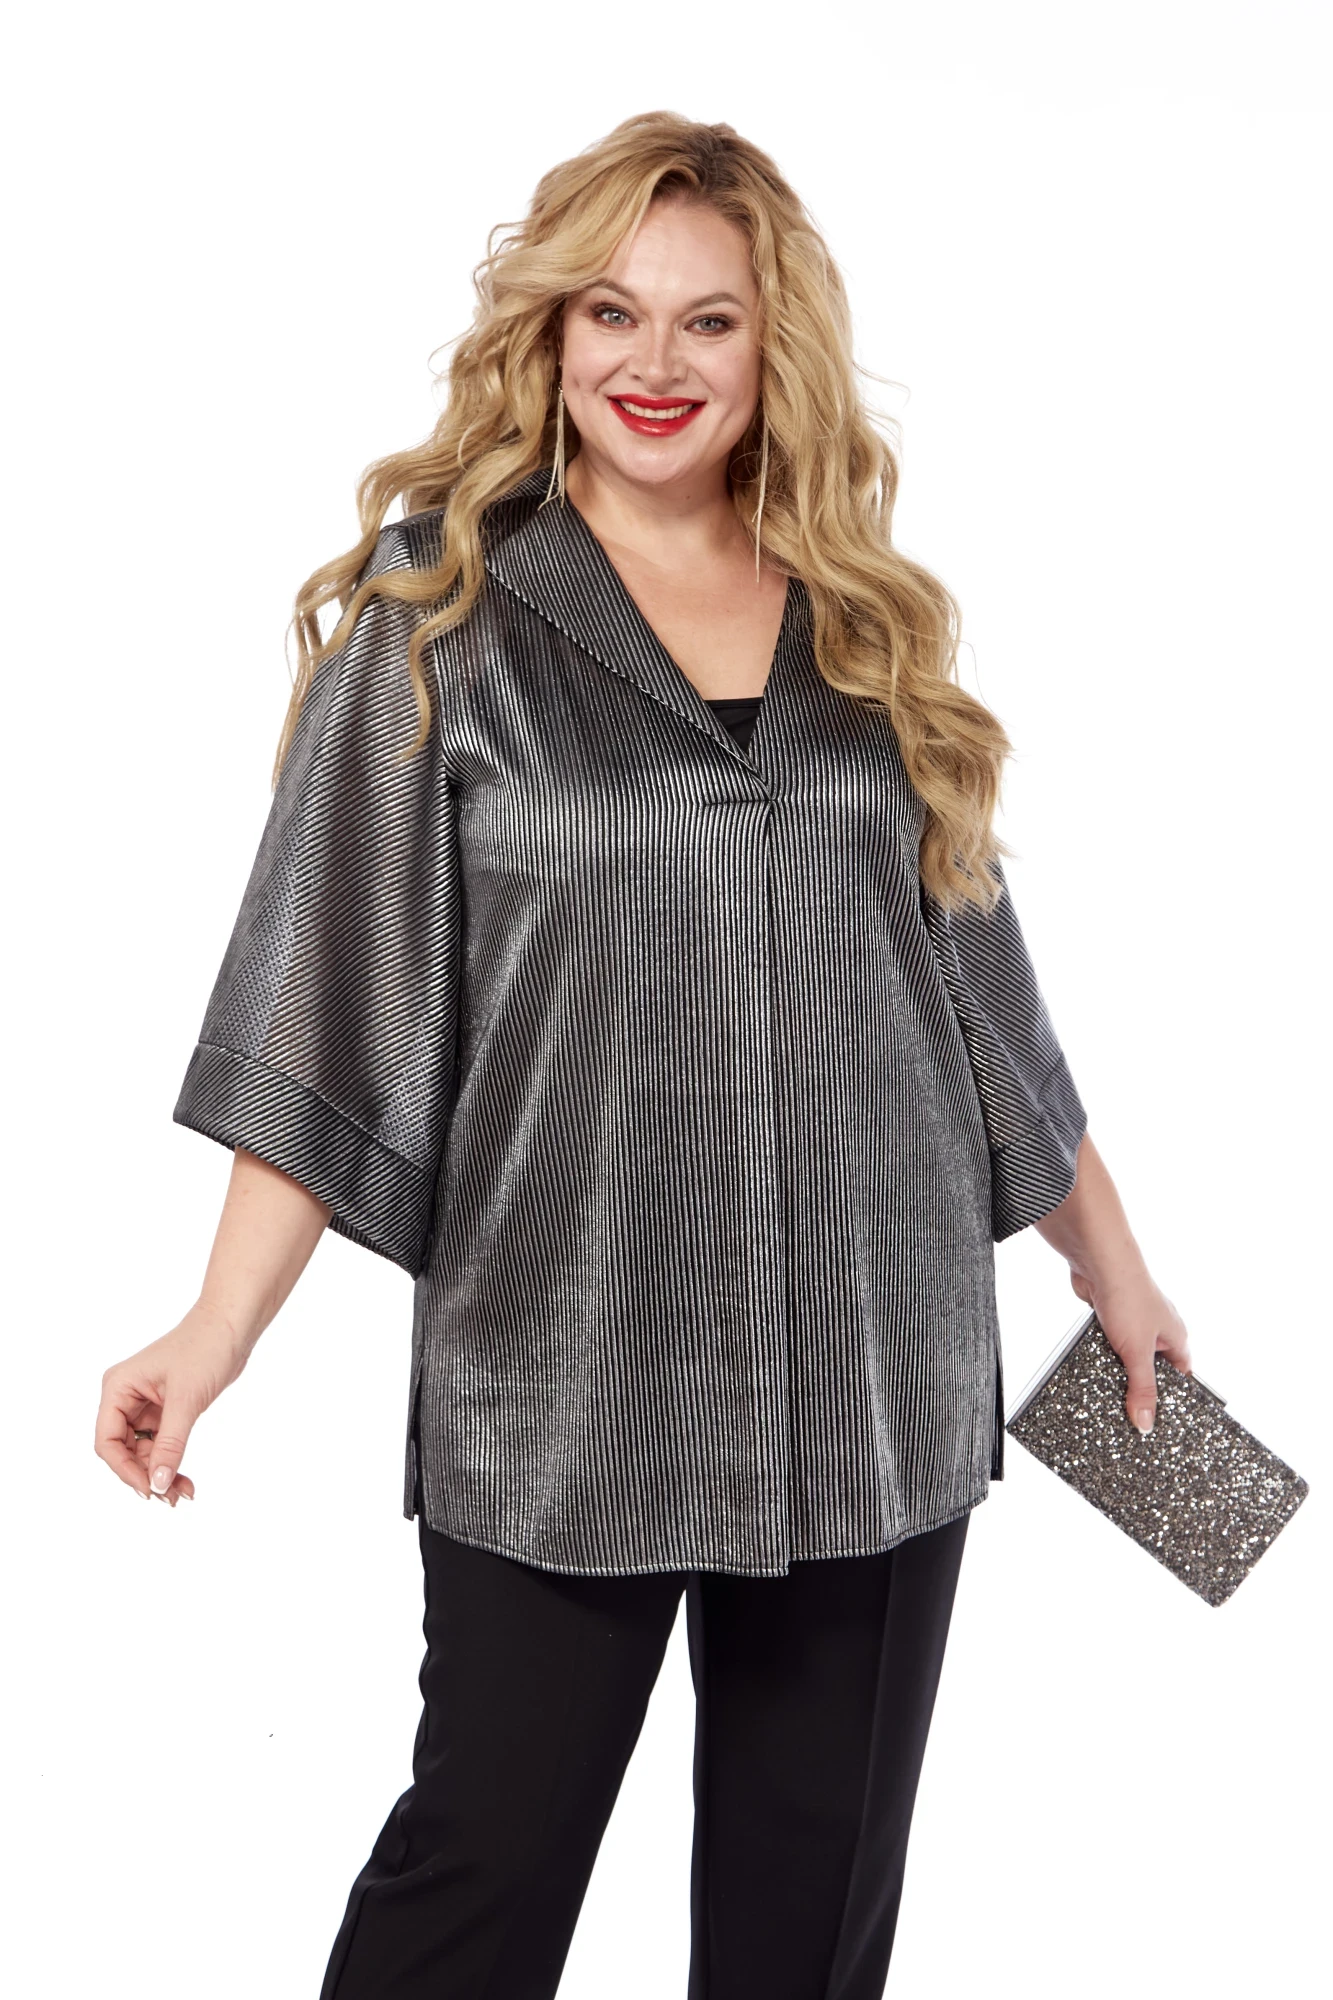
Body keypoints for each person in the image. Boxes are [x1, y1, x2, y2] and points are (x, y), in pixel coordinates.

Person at [95, 111, 1193, 1998]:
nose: (652, 364)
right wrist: (215, 1332)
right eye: (611, 312)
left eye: (707, 321)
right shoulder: (441, 614)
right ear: (549, 329)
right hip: (566, 1369)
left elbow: (978, 993)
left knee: (808, 1931)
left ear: (776, 350)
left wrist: (1119, 1273)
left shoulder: (860, 623)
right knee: (478, 1878)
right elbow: (332, 997)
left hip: (872, 1375)